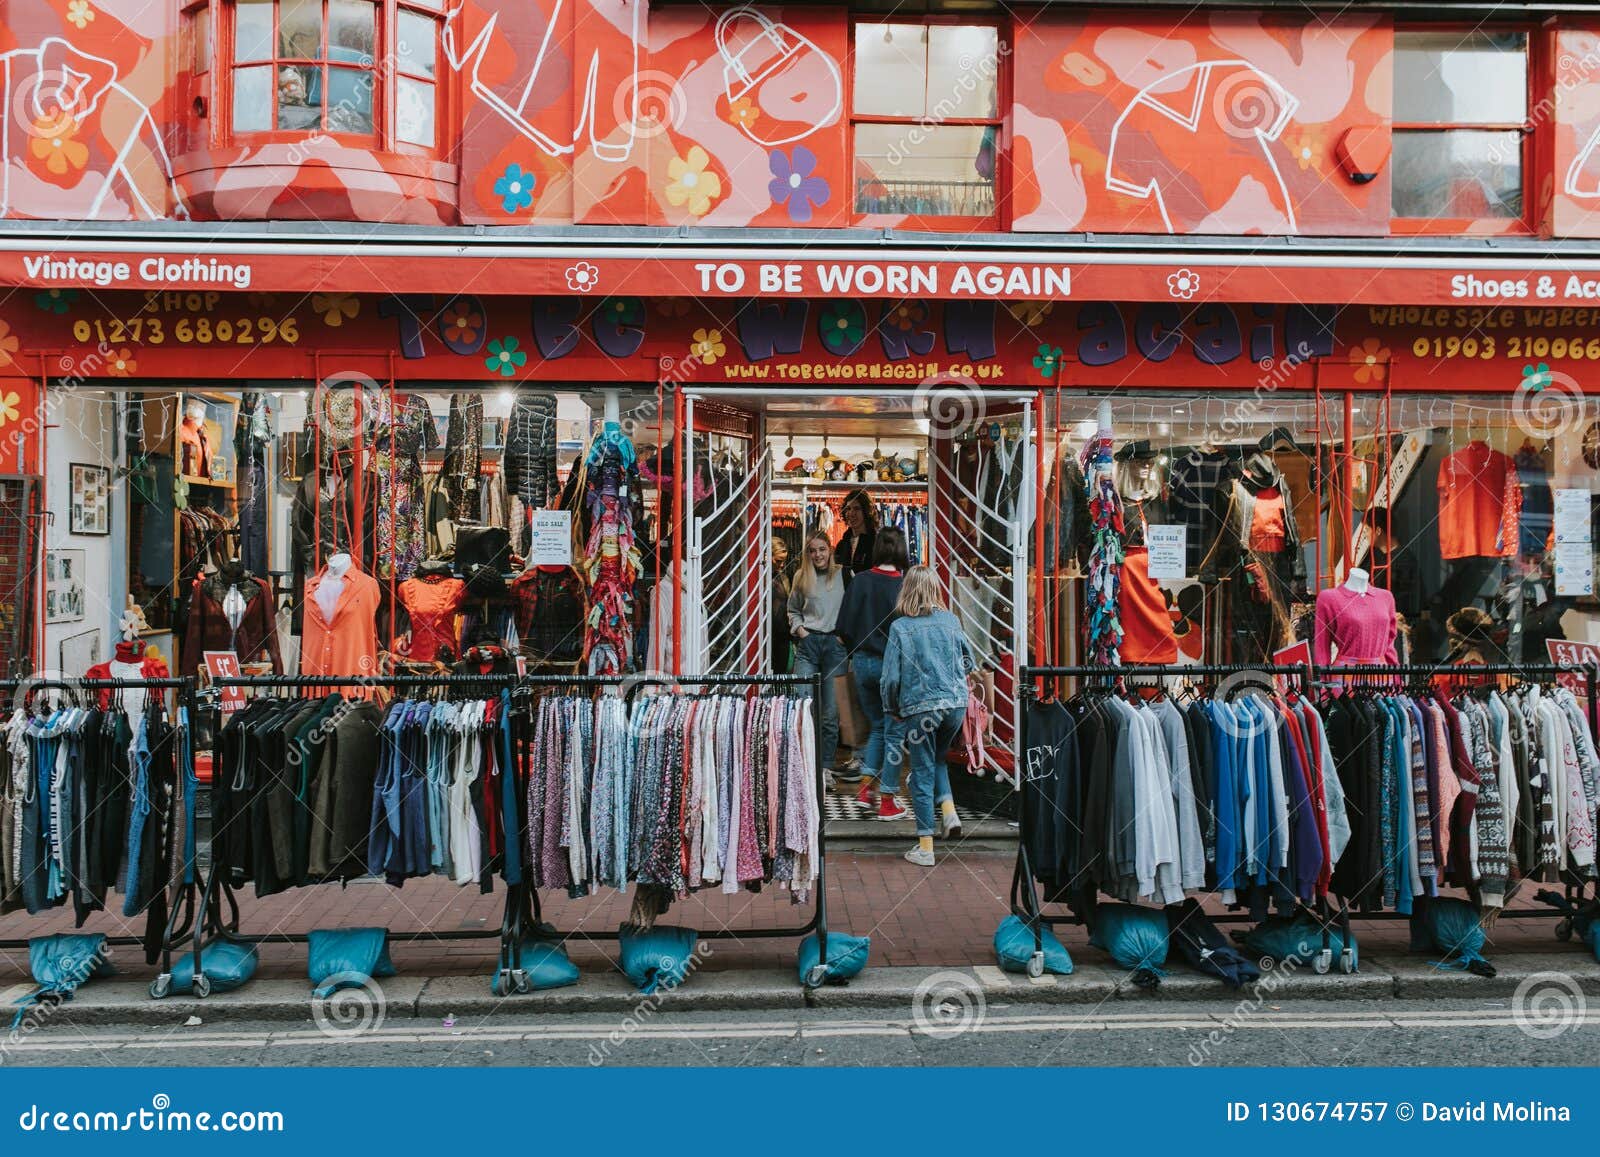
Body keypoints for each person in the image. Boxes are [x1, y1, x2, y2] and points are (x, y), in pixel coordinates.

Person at [881, 567, 976, 867]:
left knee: (921, 771)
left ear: (906, 591)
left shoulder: (900, 628)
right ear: (936, 590)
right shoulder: (951, 621)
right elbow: (969, 661)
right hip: (954, 706)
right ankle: (949, 811)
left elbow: (890, 680)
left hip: (921, 709)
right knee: (937, 759)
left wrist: (891, 709)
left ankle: (925, 846)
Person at [836, 526, 908, 811]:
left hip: (863, 664)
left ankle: (865, 790)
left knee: (878, 728)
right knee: (893, 732)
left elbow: (842, 631)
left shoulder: (860, 581)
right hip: (892, 667)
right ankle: (887, 799)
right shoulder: (904, 586)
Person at [788, 530, 848, 778]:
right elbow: (792, 610)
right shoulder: (802, 576)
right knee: (802, 707)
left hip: (835, 647)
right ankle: (804, 768)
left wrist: (845, 635)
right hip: (809, 645)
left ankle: (824, 768)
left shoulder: (844, 574)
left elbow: (853, 608)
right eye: (812, 550)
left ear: (830, 549)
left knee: (831, 713)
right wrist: (801, 631)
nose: (817, 555)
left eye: (821, 549)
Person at [834, 489, 878, 578]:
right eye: (848, 509)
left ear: (867, 512)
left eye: (857, 508)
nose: (851, 513)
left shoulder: (877, 544)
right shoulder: (842, 545)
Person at [771, 537, 793, 673]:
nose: (782, 565)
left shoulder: (783, 579)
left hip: (782, 637)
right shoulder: (756, 579)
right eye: (778, 561)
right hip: (765, 637)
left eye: (783, 561)